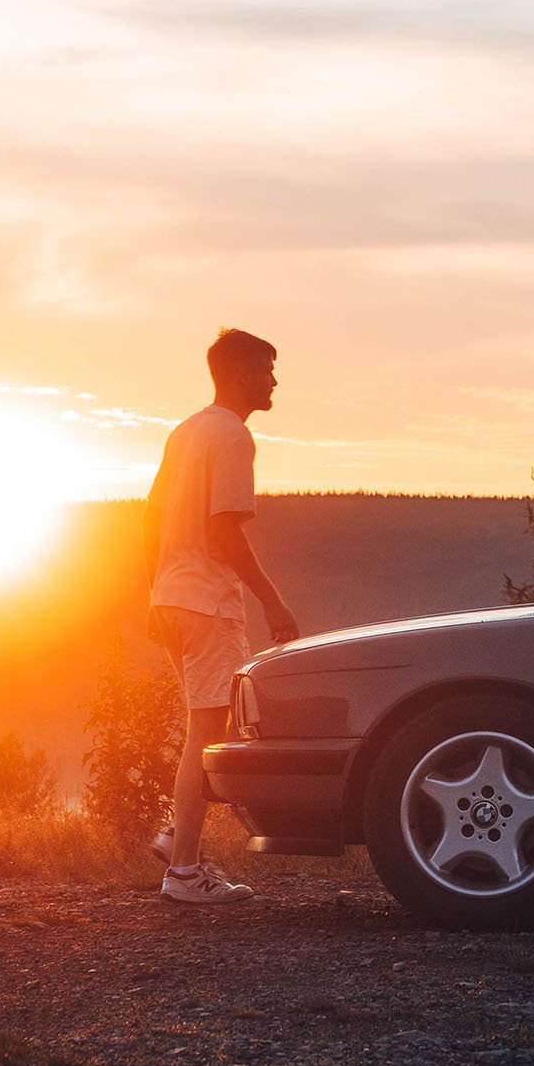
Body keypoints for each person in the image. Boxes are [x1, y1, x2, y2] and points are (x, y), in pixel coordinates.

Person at [143, 327, 302, 904]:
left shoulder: (185, 431)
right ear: (239, 374)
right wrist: (272, 600)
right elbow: (224, 530)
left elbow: (149, 517)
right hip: (208, 602)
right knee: (210, 735)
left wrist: (153, 588)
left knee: (209, 728)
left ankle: (175, 837)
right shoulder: (232, 436)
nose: (274, 380)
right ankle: (183, 872)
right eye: (266, 369)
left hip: (171, 598)